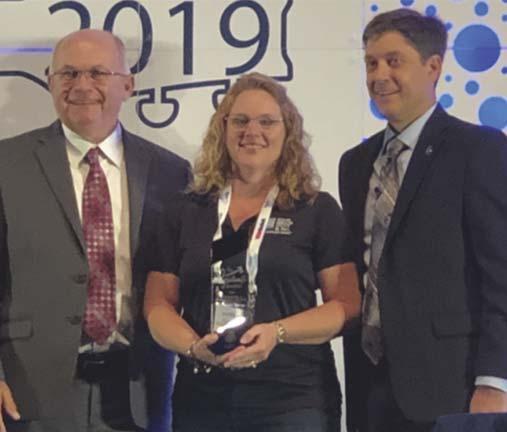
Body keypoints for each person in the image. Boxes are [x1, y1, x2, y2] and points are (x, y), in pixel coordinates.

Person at [143, 72, 361, 432]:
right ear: (223, 129)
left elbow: (347, 306)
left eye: (267, 122)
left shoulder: (315, 209)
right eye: (240, 121)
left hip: (292, 400)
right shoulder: (186, 211)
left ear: (287, 131)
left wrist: (277, 332)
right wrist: (193, 347)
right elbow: (157, 305)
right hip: (202, 400)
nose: (252, 131)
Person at [0, 29, 191, 432]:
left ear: (128, 85)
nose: (82, 85)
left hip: (138, 390)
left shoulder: (171, 172)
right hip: (28, 389)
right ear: (50, 82)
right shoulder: (7, 164)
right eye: (68, 73)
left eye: (98, 73)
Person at [338, 8, 507, 432]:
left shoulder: (479, 149)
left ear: (433, 67)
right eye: (371, 63)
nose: (379, 75)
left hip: (452, 386)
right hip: (368, 384)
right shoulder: (354, 163)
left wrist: (495, 380)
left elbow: (501, 275)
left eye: (393, 61)